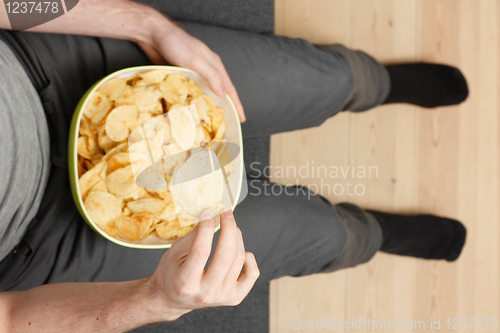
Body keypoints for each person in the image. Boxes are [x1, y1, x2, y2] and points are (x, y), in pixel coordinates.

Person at [0, 0, 468, 331]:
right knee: (313, 237)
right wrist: (156, 301)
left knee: (320, 80)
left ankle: (374, 84)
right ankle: (371, 235)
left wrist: (145, 25)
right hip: (43, 240)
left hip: (50, 67)